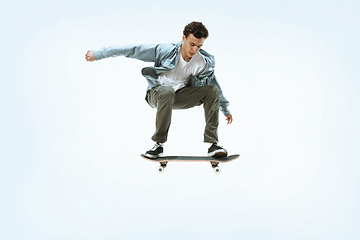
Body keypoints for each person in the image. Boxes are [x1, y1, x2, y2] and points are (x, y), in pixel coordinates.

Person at [85, 21, 233, 159]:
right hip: (156, 94)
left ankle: (213, 145)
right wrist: (99, 54)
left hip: (180, 96)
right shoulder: (165, 50)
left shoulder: (202, 62)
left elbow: (216, 86)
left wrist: (225, 109)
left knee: (211, 90)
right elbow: (132, 50)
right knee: (167, 91)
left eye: (199, 46)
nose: (194, 50)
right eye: (192, 44)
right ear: (183, 38)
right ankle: (158, 145)